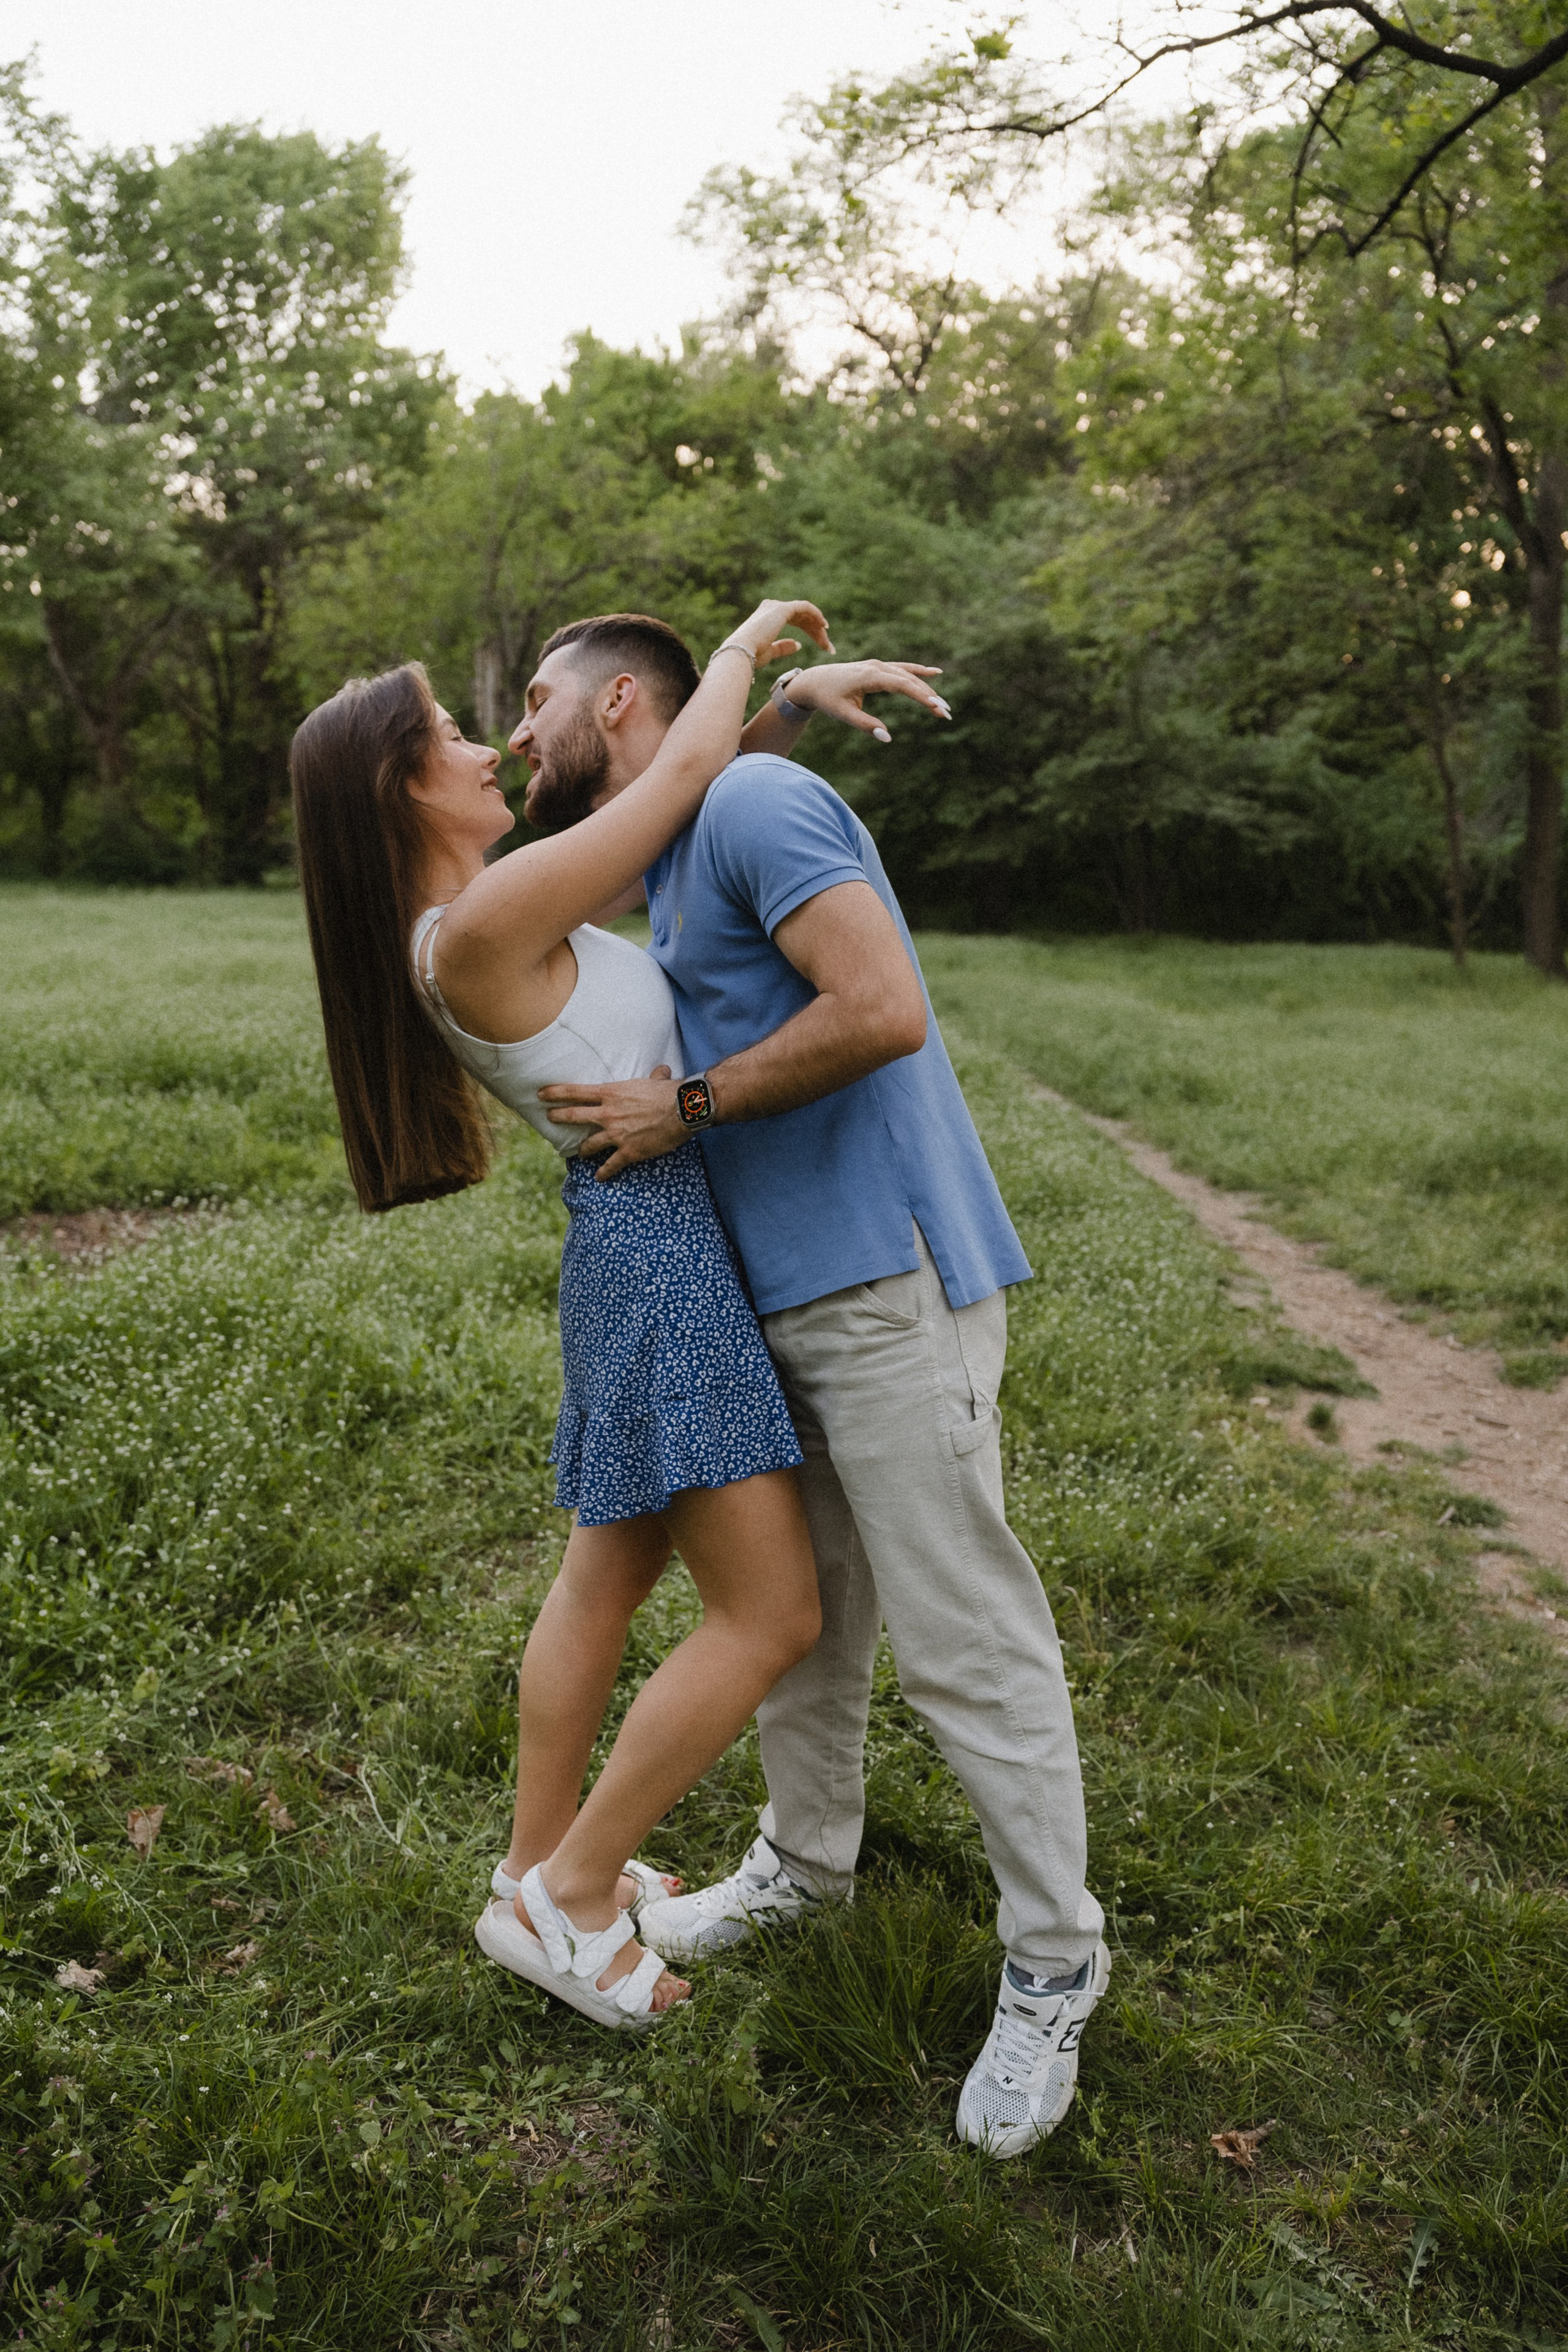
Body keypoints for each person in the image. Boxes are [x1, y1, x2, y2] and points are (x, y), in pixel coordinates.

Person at [289, 598, 949, 2032]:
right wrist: (748, 651)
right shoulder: (478, 924)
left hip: (637, 1250)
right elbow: (665, 786)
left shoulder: (481, 914)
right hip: (661, 1262)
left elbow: (675, 788)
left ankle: (531, 1866)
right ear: (404, 785)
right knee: (770, 1613)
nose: (487, 746)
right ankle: (576, 1898)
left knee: (606, 1579)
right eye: (454, 733)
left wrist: (778, 706)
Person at [516, 619, 1109, 2152]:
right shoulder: (692, 822)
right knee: (809, 1620)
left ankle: (1054, 1962)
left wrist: (685, 1103)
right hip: (769, 1291)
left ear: (623, 698)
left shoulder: (755, 809)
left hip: (882, 1280)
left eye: (534, 704)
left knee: (961, 1630)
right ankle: (803, 1865)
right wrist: (775, 700)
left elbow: (881, 1008)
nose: (518, 739)